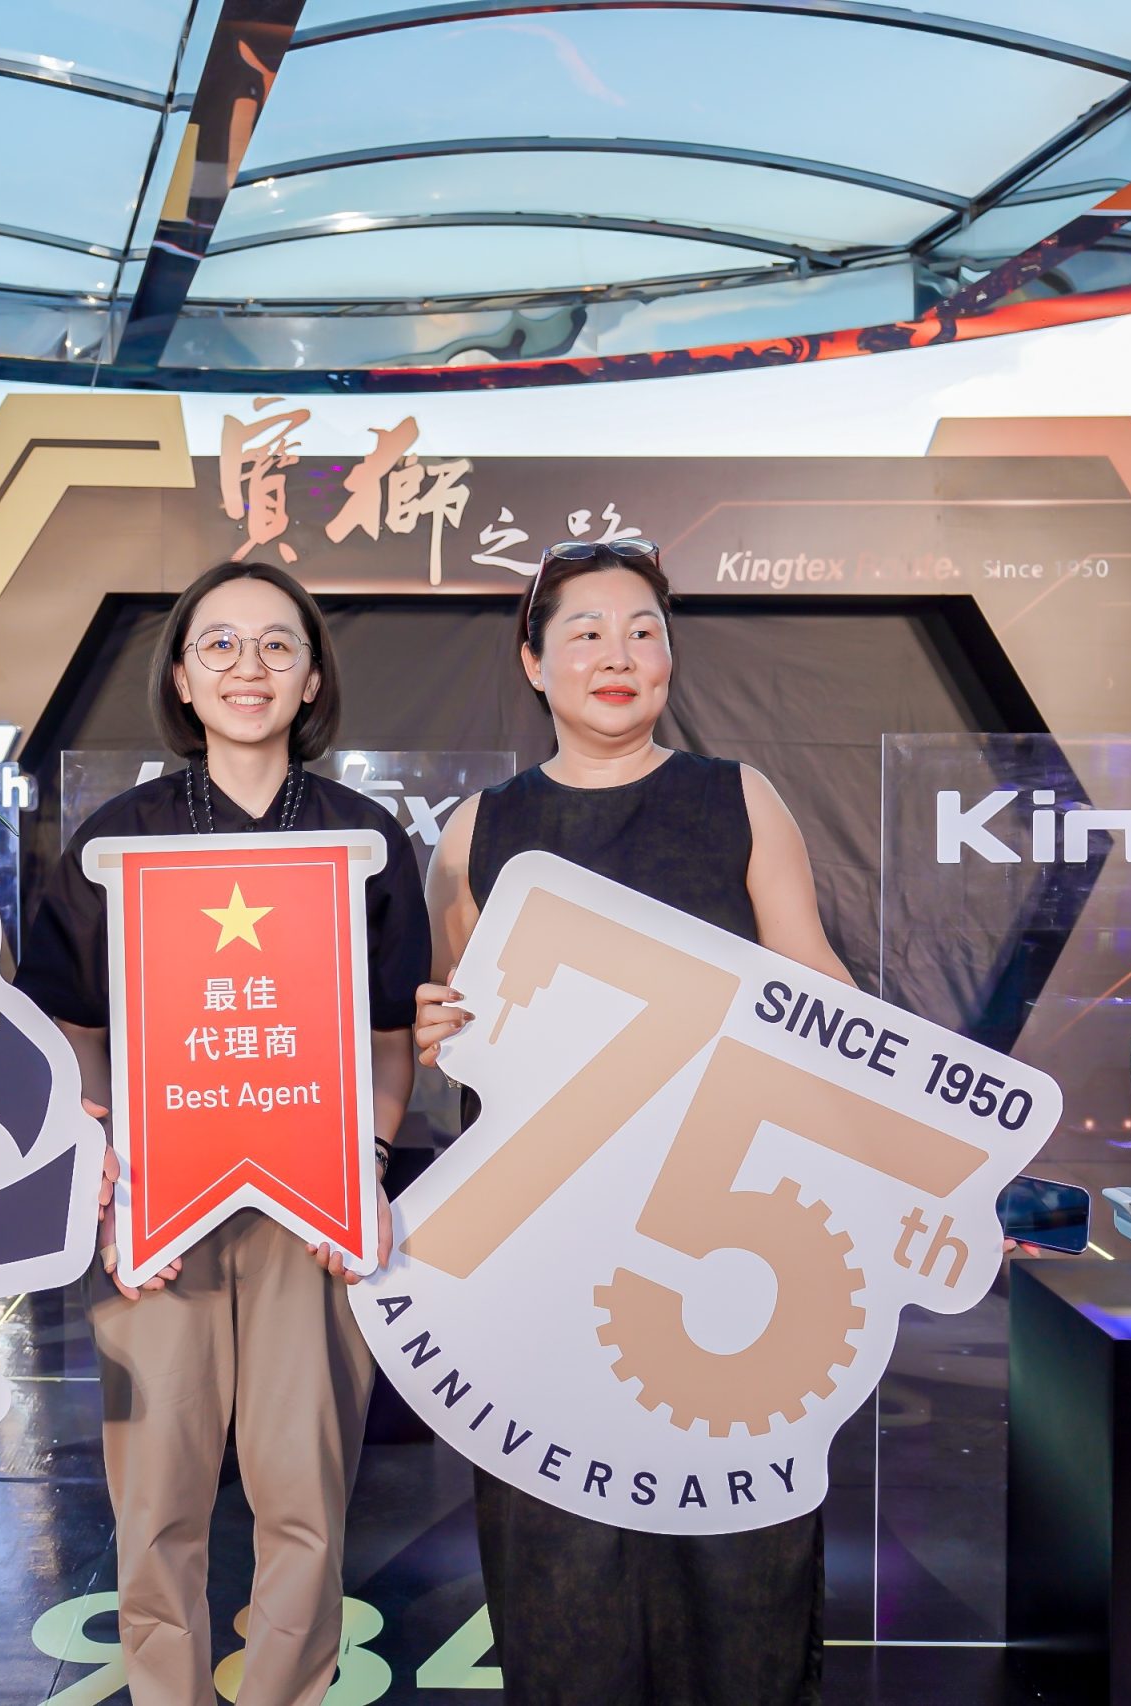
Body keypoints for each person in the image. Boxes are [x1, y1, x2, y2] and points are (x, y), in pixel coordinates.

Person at [412, 538, 851, 1706]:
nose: (618, 654)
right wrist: (425, 1024)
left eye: (642, 629)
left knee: (741, 1572)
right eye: (587, 631)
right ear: (534, 661)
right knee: (562, 1577)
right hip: (544, 1257)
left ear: (668, 655)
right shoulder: (478, 829)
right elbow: (455, 1023)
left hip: (734, 1247)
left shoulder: (736, 798)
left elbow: (819, 986)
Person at [16, 561, 431, 1706]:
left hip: (313, 1211)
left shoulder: (362, 837)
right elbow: (68, 1022)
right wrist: (105, 1165)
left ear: (312, 679)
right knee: (156, 1497)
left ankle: (289, 1690)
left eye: (277, 645)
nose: (250, 668)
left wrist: (365, 1165)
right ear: (183, 679)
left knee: (306, 1495)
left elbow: (389, 1038)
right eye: (220, 645)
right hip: (155, 1206)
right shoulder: (118, 838)